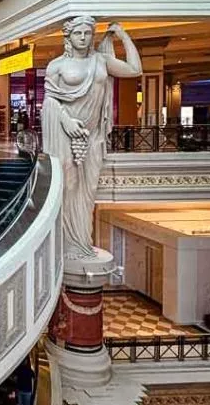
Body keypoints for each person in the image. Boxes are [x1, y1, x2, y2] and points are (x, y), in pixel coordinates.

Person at [41, 17, 142, 262]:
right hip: (65, 133)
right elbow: (49, 101)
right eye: (78, 33)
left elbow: (134, 69)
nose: (83, 38)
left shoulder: (101, 61)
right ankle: (66, 240)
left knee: (87, 191)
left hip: (92, 137)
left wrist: (123, 35)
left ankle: (81, 243)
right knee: (68, 185)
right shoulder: (56, 66)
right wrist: (65, 120)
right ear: (69, 36)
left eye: (87, 33)